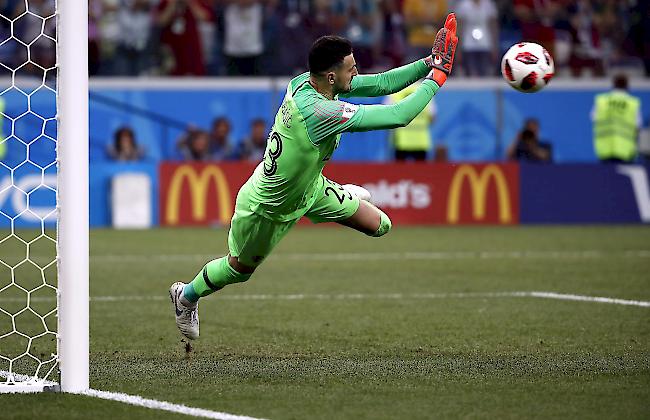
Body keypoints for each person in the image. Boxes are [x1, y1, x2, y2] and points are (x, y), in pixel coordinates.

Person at [169, 14, 459, 340]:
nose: (357, 73)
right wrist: (438, 77)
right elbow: (398, 114)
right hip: (269, 208)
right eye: (351, 69)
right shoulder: (320, 113)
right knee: (239, 270)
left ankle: (339, 195)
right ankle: (186, 296)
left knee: (380, 226)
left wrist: (429, 63)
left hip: (309, 189)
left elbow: (382, 84)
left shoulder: (308, 82)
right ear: (332, 76)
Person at [591, 74, 642, 163]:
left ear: (613, 84)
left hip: (605, 148)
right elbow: (638, 126)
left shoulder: (602, 101)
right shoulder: (632, 103)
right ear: (627, 85)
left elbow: (594, 118)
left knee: (606, 176)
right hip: (625, 149)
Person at [385, 82, 437, 161]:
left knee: (400, 172)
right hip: (421, 141)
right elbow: (432, 117)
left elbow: (386, 115)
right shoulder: (426, 90)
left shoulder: (395, 90)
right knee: (420, 172)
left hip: (401, 141)